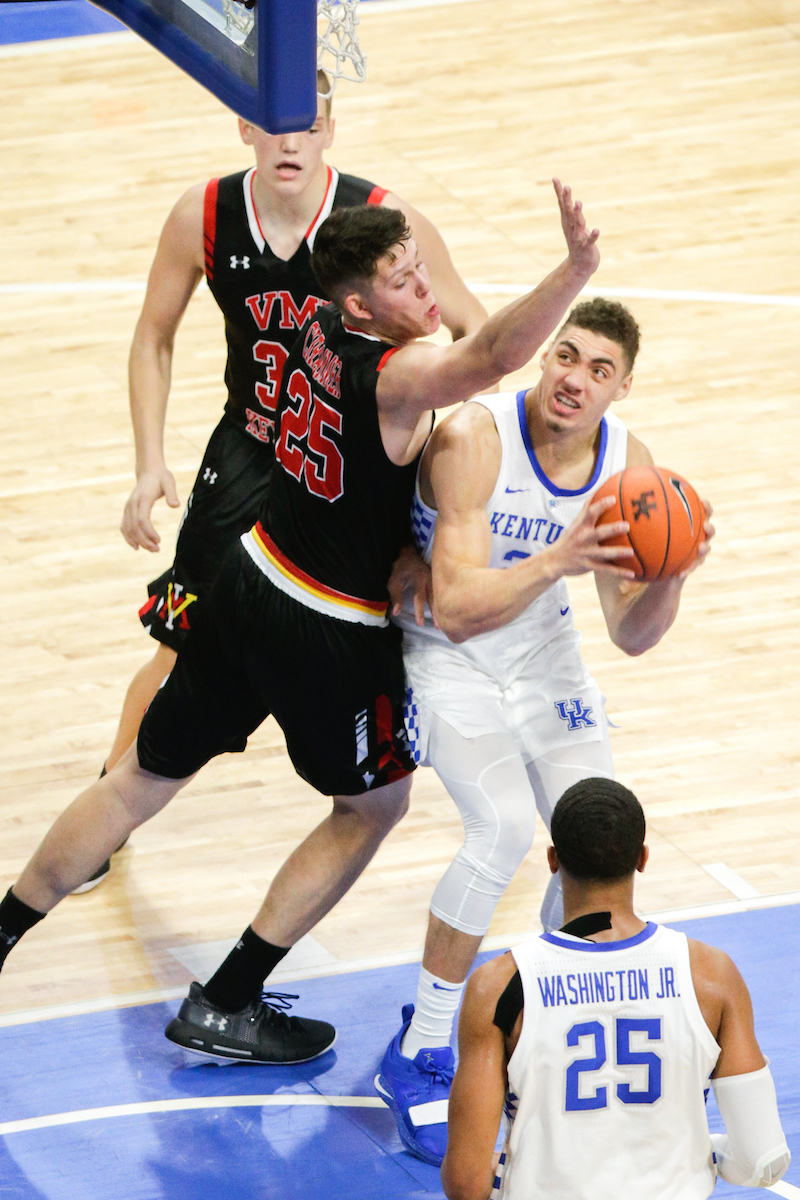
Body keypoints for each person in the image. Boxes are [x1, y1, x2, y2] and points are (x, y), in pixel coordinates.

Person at [0, 181, 603, 1067]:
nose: (424, 289)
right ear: (361, 305)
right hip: (323, 624)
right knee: (372, 805)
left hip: (248, 573)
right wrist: (575, 268)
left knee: (136, 780)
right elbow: (492, 358)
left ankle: (5, 930)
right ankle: (230, 997)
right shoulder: (392, 375)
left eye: (420, 268)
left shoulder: (305, 326)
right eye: (402, 281)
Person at [76, 69, 487, 892]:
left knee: (398, 634)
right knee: (179, 637)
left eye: (307, 125)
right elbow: (152, 337)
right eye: (274, 125)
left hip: (351, 462)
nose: (290, 141)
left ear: (331, 130)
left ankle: (481, 799)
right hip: (254, 451)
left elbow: (474, 333)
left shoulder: (384, 221)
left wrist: (444, 488)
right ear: (243, 126)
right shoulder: (203, 213)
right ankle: (106, 812)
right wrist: (149, 459)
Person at [376, 296, 714, 1164]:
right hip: (446, 652)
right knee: (502, 830)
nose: (576, 379)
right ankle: (421, 1046)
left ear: (622, 387)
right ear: (542, 360)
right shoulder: (475, 438)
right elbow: (452, 609)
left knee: (594, 833)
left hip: (544, 655)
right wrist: (564, 556)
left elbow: (630, 635)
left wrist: (672, 570)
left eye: (600, 370)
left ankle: (550, 1014)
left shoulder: (626, 463)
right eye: (567, 357)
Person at [440, 778, 791, 1199]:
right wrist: (706, 1153)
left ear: (553, 860)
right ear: (642, 858)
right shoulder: (711, 975)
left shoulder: (499, 986)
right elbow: (762, 1157)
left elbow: (465, 1183)